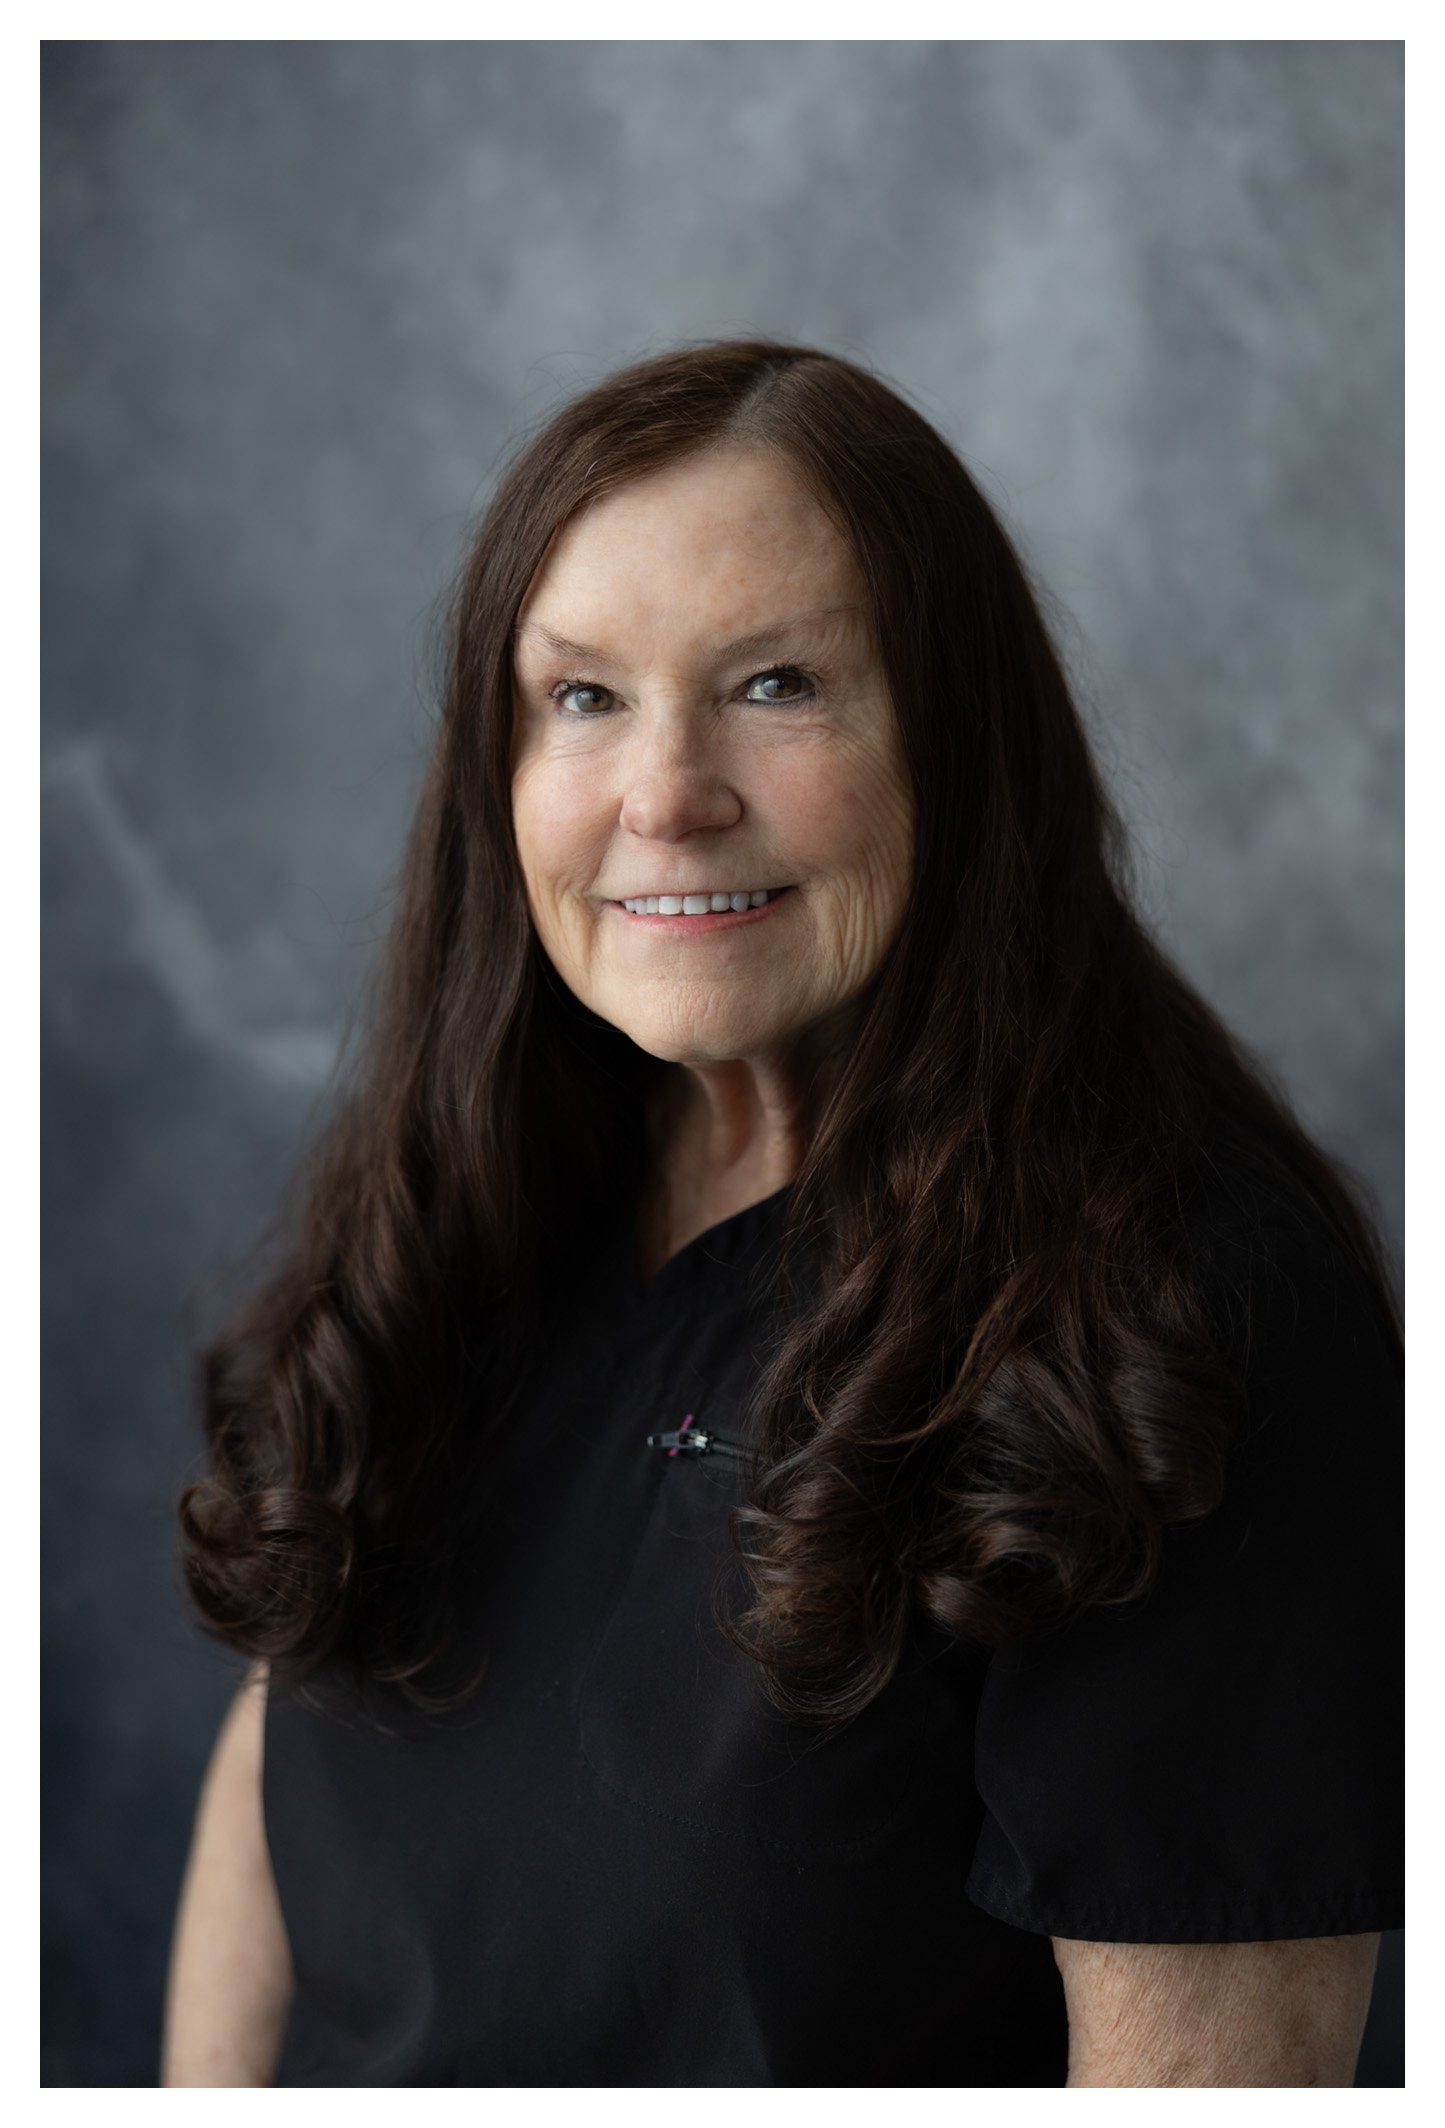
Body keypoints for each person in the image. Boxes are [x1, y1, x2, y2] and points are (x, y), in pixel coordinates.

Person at [161, 340, 1403, 2088]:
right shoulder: (480, 1175)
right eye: (581, 697)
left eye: (777, 683)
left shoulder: (1184, 1314)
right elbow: (289, 1720)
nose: (665, 794)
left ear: (956, 742)